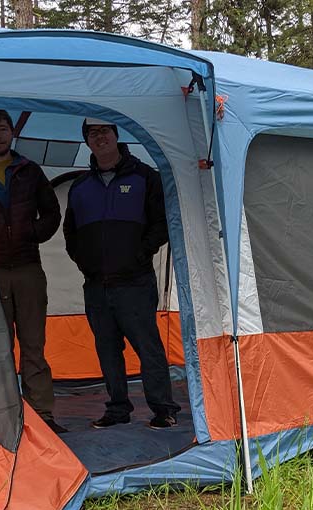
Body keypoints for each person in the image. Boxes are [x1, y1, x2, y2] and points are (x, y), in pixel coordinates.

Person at [63, 118, 181, 430]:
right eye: (92, 133)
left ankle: (163, 408)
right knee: (107, 349)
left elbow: (163, 222)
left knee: (148, 346)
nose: (99, 137)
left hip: (135, 282)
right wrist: (84, 262)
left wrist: (141, 253)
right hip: (96, 285)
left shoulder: (145, 178)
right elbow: (71, 234)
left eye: (104, 131)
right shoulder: (80, 187)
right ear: (87, 141)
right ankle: (117, 408)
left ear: (117, 135)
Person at [0, 109, 65, 433]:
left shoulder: (29, 171)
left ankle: (43, 415)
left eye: (2, 128)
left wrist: (32, 234)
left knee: (34, 345)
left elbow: (51, 212)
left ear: (12, 132)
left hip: (27, 269)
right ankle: (5, 416)